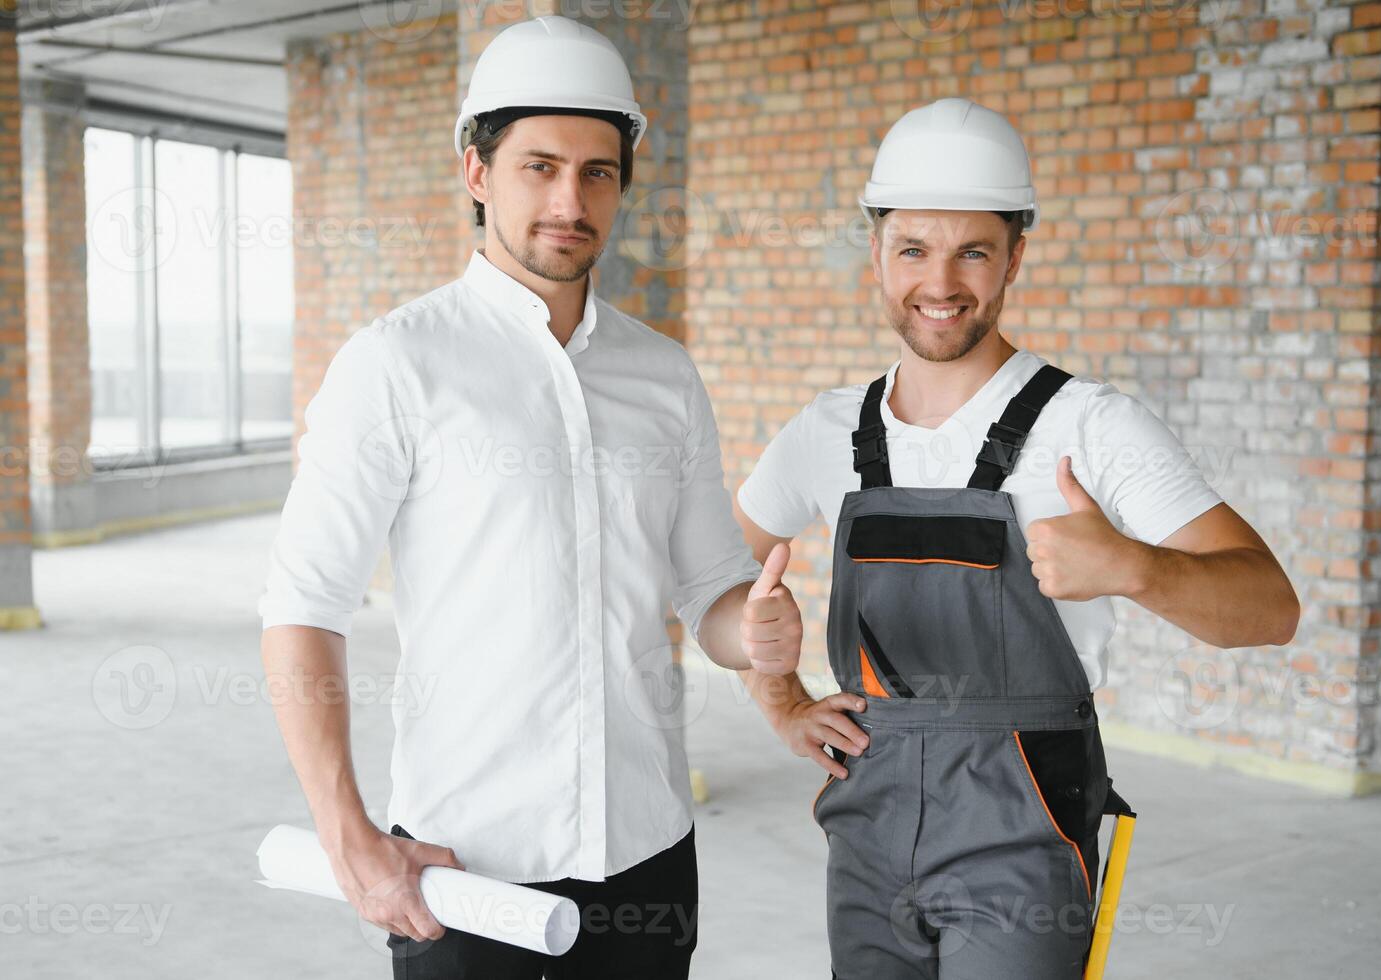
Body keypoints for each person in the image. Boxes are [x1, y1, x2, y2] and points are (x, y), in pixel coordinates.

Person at [257, 15, 803, 979]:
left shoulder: (664, 375)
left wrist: (752, 634)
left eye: (597, 171)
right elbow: (304, 605)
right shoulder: (397, 364)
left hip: (646, 854)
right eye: (538, 166)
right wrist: (350, 840)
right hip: (464, 863)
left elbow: (711, 589)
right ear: (477, 171)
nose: (570, 198)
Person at [733, 97, 1300, 977]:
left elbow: (1269, 608)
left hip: (1023, 828)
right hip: (869, 827)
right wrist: (780, 699)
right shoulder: (826, 431)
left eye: (973, 251)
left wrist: (1132, 566)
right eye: (913, 249)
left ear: (1014, 258)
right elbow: (720, 575)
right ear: (876, 252)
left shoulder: (1090, 425)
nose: (940, 282)